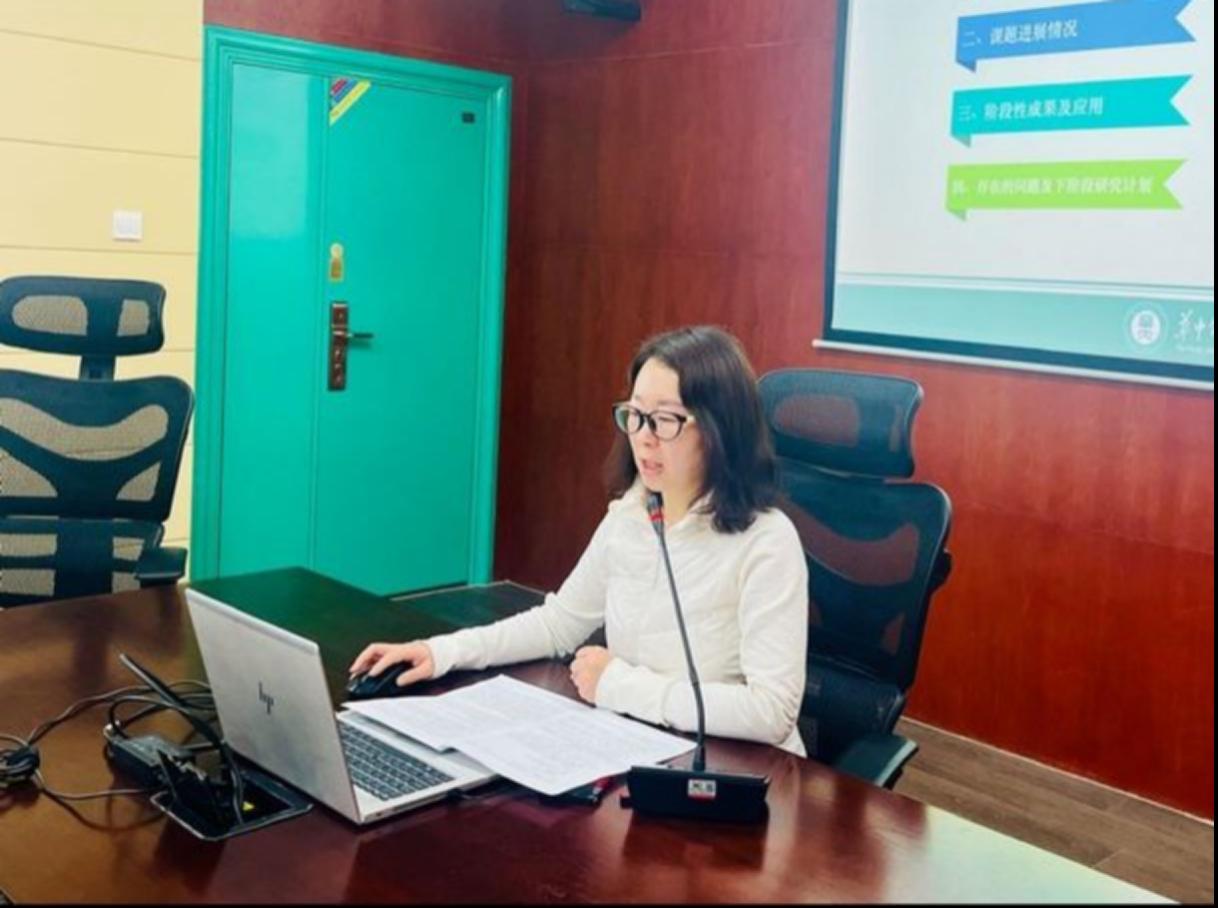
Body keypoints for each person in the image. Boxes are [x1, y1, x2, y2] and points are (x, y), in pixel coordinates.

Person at [350, 325, 810, 754]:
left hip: (741, 774)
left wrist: (618, 685)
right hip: (642, 746)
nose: (643, 438)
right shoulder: (633, 514)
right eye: (635, 416)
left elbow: (771, 712)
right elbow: (558, 625)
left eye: (665, 420)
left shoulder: (766, 543)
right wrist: (441, 651)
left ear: (719, 428)